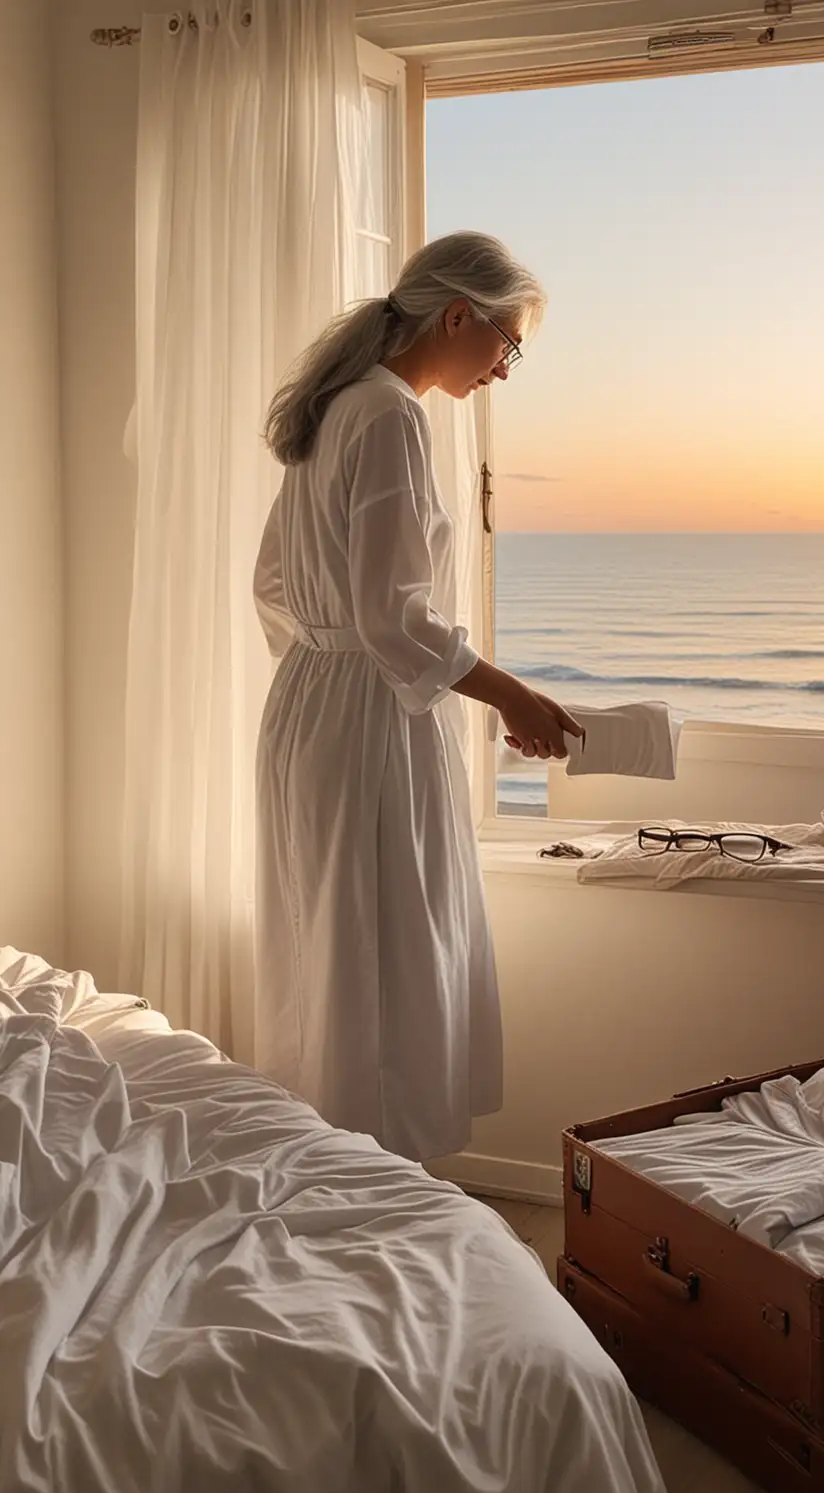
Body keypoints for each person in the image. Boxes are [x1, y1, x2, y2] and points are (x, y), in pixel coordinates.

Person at [252, 231, 581, 1162]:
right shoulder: (390, 414)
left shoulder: (335, 412)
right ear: (455, 316)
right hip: (365, 718)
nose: (505, 371)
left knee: (328, 945)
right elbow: (393, 619)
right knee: (387, 953)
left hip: (310, 710)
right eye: (507, 346)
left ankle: (326, 1170)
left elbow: (273, 585)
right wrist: (507, 693)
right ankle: (385, 1190)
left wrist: (320, 667)